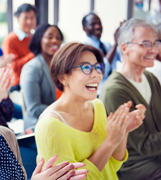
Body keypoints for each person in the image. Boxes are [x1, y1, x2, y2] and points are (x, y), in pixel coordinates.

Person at [35, 42, 146, 180]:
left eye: (97, 67)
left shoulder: (97, 106)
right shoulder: (50, 126)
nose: (96, 75)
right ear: (63, 77)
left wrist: (123, 131)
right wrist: (110, 141)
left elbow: (111, 166)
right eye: (86, 67)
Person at [100, 18, 161, 180]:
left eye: (156, 43)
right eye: (146, 44)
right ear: (125, 48)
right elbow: (145, 146)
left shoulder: (150, 78)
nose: (154, 50)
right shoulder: (115, 90)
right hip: (137, 168)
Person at [20, 23, 63, 131]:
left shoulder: (61, 66)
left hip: (60, 123)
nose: (55, 41)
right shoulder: (32, 68)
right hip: (38, 127)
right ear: (39, 39)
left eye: (58, 38)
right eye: (50, 37)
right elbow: (34, 108)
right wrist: (66, 112)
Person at [82, 12, 122, 95]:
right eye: (93, 24)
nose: (98, 26)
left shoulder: (107, 45)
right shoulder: (84, 49)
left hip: (114, 90)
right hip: (97, 93)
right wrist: (115, 44)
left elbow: (125, 59)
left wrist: (124, 37)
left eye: (99, 24)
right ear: (84, 28)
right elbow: (101, 70)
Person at [2, 3, 37, 91]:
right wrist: (35, 53)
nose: (29, 21)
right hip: (18, 84)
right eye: (25, 18)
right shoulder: (10, 40)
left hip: (34, 78)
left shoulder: (34, 37)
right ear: (18, 19)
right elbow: (15, 68)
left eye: (32, 17)